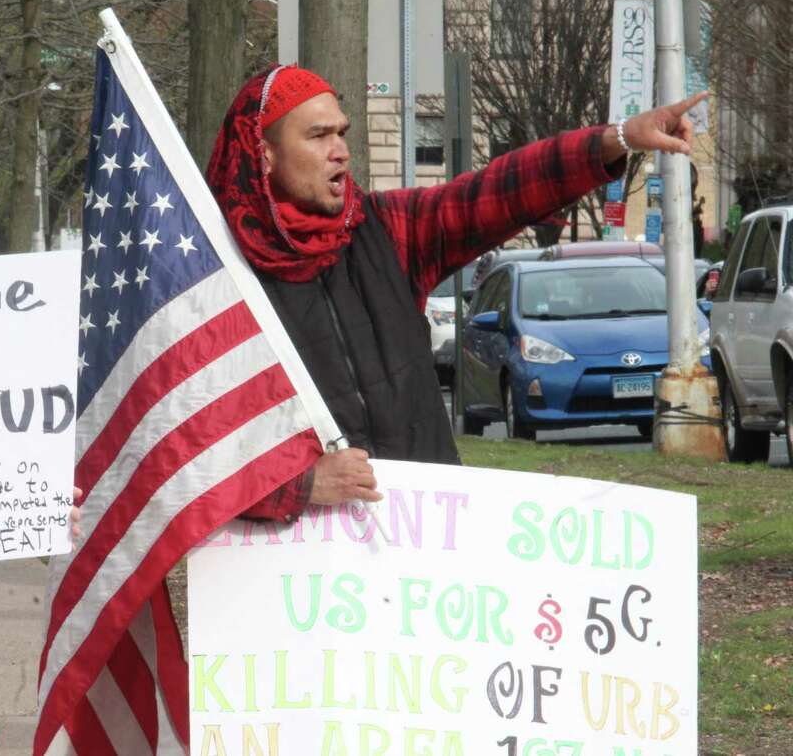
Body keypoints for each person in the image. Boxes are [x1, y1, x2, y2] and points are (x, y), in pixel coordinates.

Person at [205, 65, 705, 518]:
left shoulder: (384, 231)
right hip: (297, 581)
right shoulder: (217, 280)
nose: (340, 150)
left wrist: (614, 140)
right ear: (263, 153)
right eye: (318, 136)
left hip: (428, 546)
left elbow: (495, 193)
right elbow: (191, 459)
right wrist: (300, 486)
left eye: (341, 132)